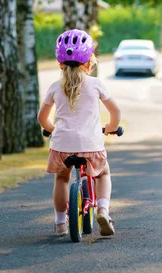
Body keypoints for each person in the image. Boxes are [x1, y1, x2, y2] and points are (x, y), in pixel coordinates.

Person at [37, 29, 121, 237]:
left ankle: (59, 223)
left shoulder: (55, 87)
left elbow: (42, 118)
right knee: (103, 173)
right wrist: (111, 127)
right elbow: (115, 111)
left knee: (62, 179)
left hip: (62, 145)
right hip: (91, 144)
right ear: (89, 62)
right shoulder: (96, 84)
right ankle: (102, 210)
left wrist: (53, 130)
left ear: (60, 63)